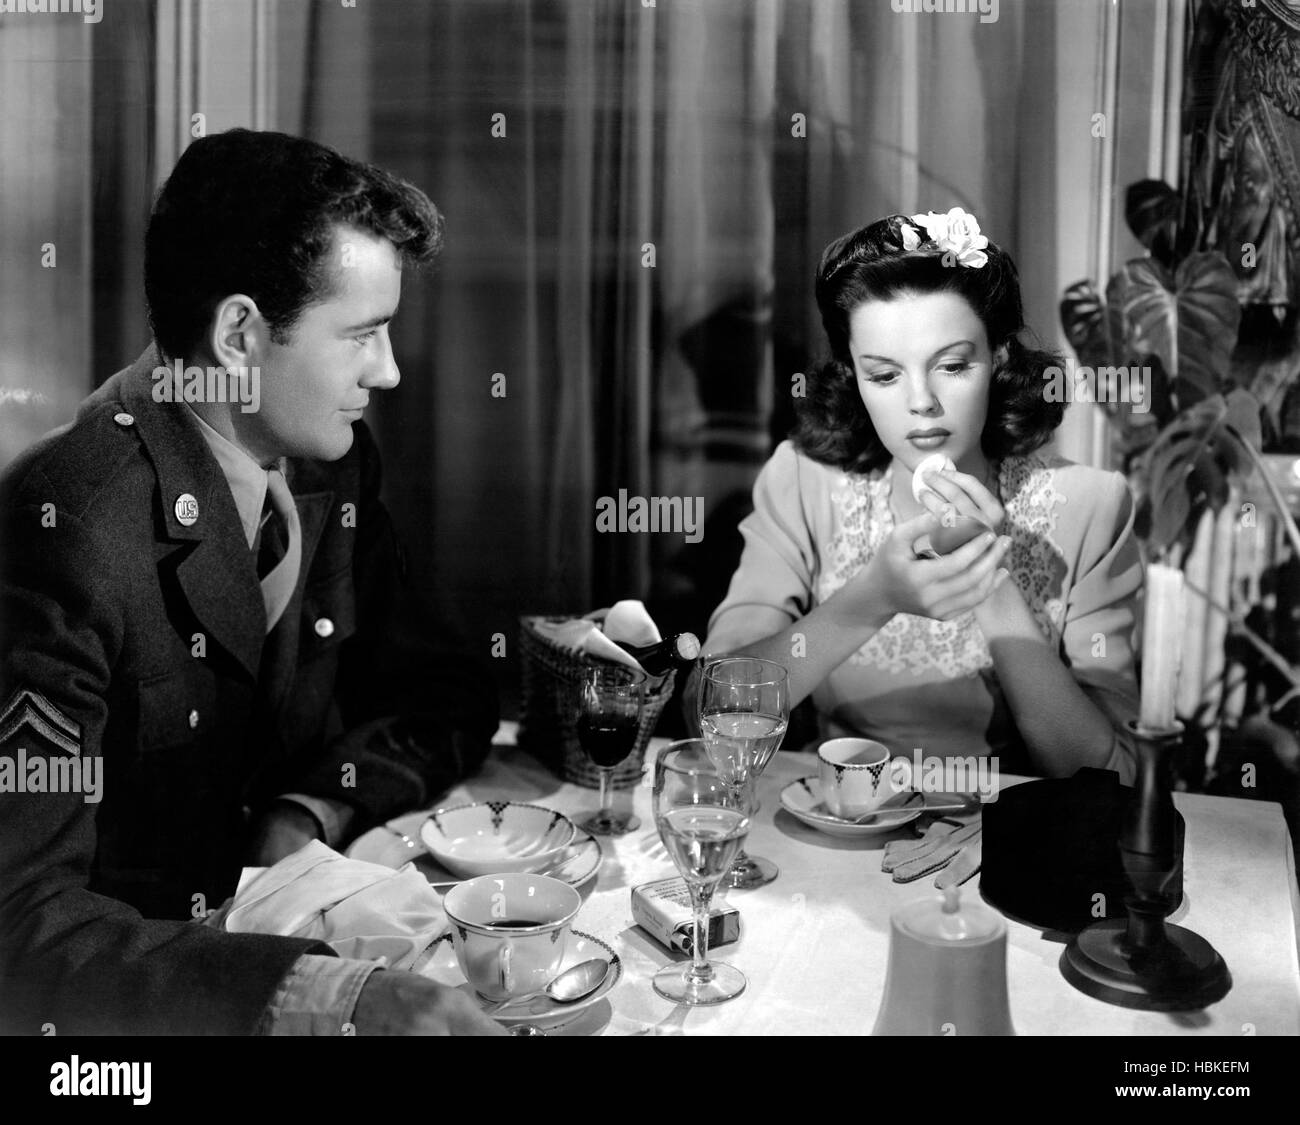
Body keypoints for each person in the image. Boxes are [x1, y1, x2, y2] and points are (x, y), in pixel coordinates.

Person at [0, 129, 505, 1035]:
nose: (386, 370)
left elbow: (447, 689)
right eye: (361, 333)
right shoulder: (63, 529)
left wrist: (306, 809)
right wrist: (321, 994)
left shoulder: (327, 465)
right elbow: (20, 927)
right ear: (239, 335)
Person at [704, 209, 1143, 783]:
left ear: (999, 359)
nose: (921, 402)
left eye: (953, 366)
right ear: (853, 376)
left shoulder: (1091, 505)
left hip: (1005, 849)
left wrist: (988, 581)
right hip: (832, 831)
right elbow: (717, 706)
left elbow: (1109, 776)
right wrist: (871, 598)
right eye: (884, 375)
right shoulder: (802, 481)